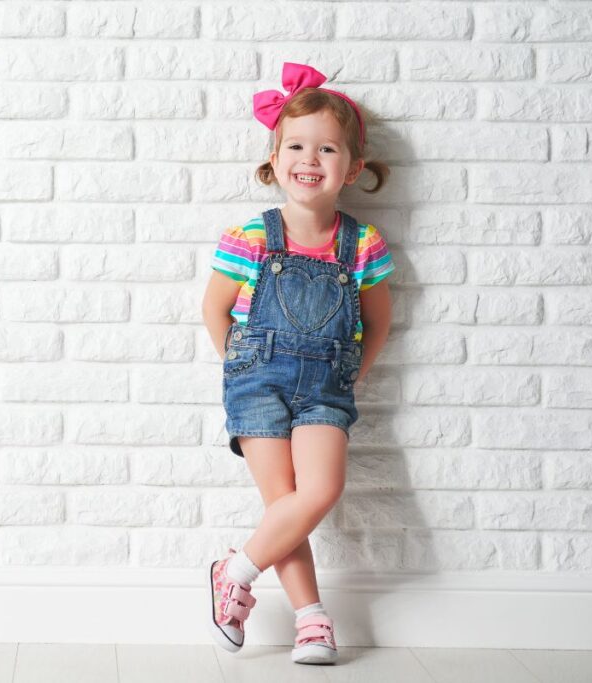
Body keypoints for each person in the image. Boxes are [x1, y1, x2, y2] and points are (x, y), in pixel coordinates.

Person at [202, 62, 396, 664]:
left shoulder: (361, 243)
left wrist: (351, 375)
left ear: (353, 167)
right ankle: (312, 619)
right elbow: (215, 310)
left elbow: (379, 321)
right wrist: (242, 368)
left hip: (327, 388)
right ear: (275, 154)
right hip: (256, 381)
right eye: (296, 145)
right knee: (284, 499)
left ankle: (233, 571)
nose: (310, 159)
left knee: (319, 490)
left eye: (328, 148)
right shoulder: (250, 237)